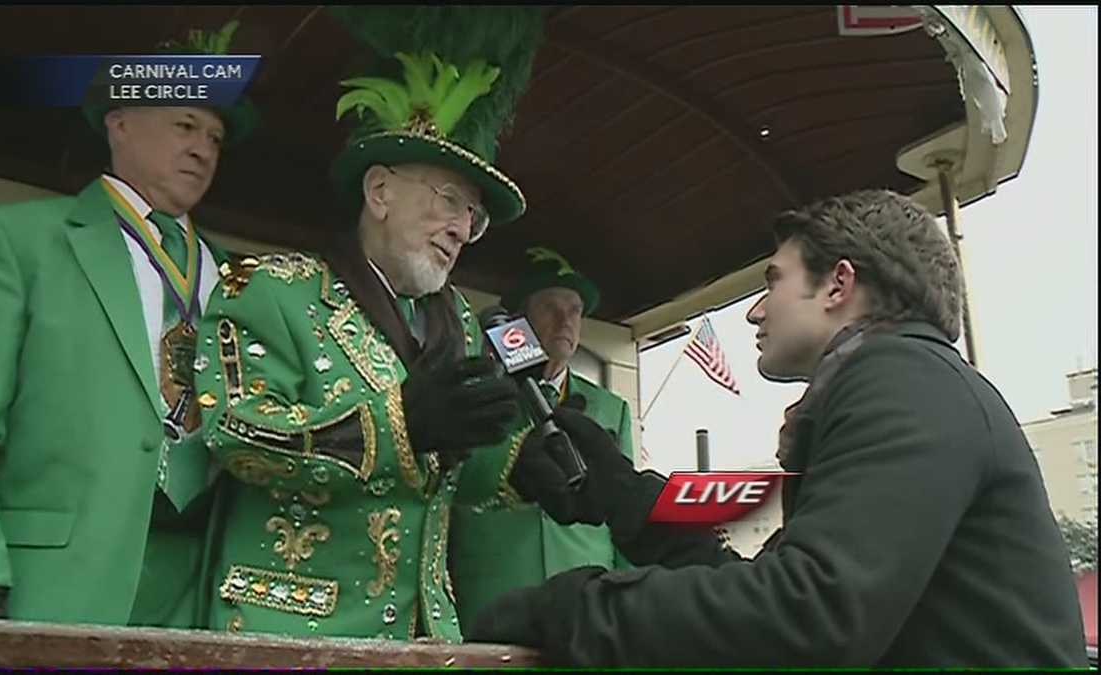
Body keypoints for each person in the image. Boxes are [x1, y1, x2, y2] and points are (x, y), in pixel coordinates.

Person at [467, 189, 1089, 668]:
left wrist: (573, 609)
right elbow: (763, 584)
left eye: (773, 282)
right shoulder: (900, 385)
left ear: (839, 284)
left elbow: (809, 612)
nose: (756, 310)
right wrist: (628, 497)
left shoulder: (904, 380)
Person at [193, 6, 543, 641]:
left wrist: (523, 461)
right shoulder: (269, 289)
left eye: (473, 216)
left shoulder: (461, 322)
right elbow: (233, 432)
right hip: (293, 636)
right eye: (448, 201)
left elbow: (452, 478)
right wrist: (398, 424)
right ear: (379, 191)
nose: (463, 229)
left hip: (425, 639)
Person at [0, 22, 257, 626]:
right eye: (184, 124)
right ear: (119, 122)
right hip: (50, 589)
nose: (203, 148)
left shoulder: (240, 281)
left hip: (200, 598)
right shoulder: (18, 241)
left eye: (215, 136)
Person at [450, 246, 635, 635]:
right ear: (518, 321)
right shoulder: (479, 395)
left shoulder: (609, 408)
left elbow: (624, 504)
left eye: (575, 310)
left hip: (584, 601)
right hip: (492, 594)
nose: (565, 321)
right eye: (551, 307)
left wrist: (627, 598)